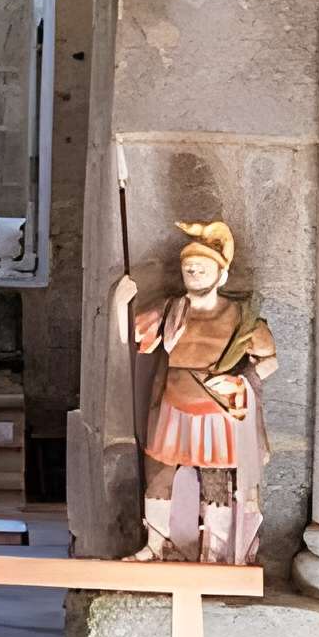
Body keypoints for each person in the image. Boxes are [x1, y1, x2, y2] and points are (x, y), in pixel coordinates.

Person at [110, 218, 274, 560]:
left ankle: (215, 552)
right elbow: (131, 339)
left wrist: (240, 382)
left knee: (216, 480)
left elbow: (269, 361)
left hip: (218, 409)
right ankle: (154, 545)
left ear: (221, 275)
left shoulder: (242, 318)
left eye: (202, 267)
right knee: (159, 475)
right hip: (173, 404)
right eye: (189, 268)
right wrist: (119, 304)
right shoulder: (170, 310)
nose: (194, 272)